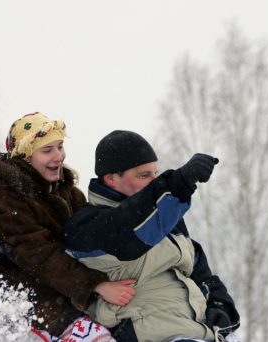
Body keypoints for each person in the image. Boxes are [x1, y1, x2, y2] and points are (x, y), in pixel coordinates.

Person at [0, 113, 136, 338]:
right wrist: (95, 285)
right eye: (47, 150)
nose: (59, 156)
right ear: (25, 157)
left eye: (60, 146)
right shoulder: (4, 195)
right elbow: (38, 255)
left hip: (63, 288)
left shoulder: (67, 193)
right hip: (26, 292)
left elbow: (92, 235)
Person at [64, 130, 241, 342]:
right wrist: (177, 184)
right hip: (153, 333)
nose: (153, 181)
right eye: (144, 175)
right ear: (111, 179)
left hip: (198, 331)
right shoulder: (86, 226)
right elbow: (128, 232)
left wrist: (219, 303)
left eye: (155, 174)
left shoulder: (163, 219)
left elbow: (197, 266)